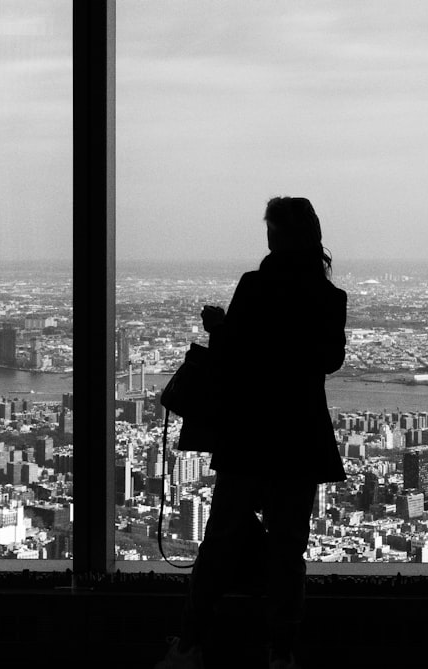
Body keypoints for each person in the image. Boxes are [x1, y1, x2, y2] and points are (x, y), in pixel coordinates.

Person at [156, 197, 348, 669]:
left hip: (249, 435)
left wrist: (219, 327)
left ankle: (189, 644)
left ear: (275, 236)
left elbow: (234, 357)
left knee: (221, 541)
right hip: (298, 437)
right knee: (287, 551)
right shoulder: (329, 298)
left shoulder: (255, 286)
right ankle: (281, 652)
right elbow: (329, 361)